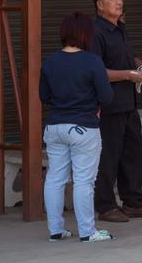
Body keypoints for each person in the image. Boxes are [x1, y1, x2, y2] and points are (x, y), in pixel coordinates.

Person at [40, 13, 115, 243]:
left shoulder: (50, 62)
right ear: (86, 35)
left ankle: (56, 230)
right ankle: (87, 231)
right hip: (84, 127)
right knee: (84, 180)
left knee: (54, 178)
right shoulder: (92, 61)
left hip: (54, 126)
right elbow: (106, 96)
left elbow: (44, 96)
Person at [90, 0, 142, 223]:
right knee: (108, 156)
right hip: (108, 106)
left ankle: (133, 202)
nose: (119, 1)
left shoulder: (120, 28)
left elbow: (128, 59)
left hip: (129, 102)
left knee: (133, 153)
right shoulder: (95, 33)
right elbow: (95, 71)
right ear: (100, 5)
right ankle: (106, 206)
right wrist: (128, 75)